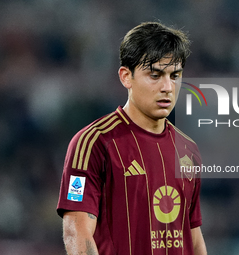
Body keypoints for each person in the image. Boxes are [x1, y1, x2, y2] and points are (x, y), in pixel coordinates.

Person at [57, 21, 207, 255]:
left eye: (174, 75)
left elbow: (192, 235)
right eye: (155, 75)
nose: (167, 87)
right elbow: (77, 231)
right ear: (126, 77)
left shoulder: (188, 149)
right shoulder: (94, 142)